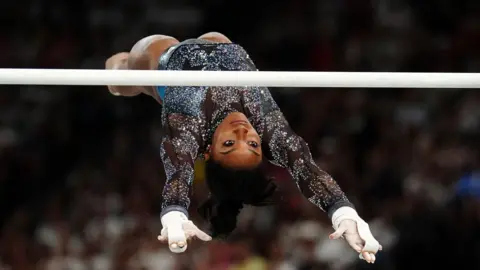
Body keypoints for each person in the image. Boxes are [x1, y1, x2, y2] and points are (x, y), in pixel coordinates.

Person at [105, 32, 382, 263]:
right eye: (252, 144)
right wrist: (344, 212)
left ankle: (114, 76)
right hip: (221, 44)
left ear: (209, 150)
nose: (243, 132)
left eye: (229, 144)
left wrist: (174, 213)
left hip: (164, 63)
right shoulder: (267, 126)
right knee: (216, 38)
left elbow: (179, 169)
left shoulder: (189, 121)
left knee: (124, 75)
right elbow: (306, 169)